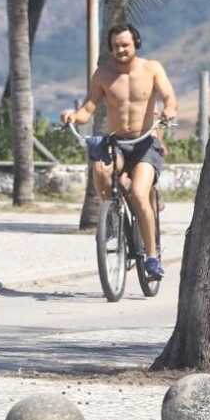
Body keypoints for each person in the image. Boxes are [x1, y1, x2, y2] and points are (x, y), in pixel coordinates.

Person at [60, 23, 177, 278]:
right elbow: (88, 108)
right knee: (101, 170)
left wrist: (169, 110)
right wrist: (73, 117)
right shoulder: (103, 75)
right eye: (115, 46)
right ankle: (114, 217)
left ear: (136, 43)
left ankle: (152, 257)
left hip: (145, 142)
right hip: (118, 142)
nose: (120, 50)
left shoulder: (152, 69)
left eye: (125, 45)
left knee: (139, 192)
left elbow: (169, 96)